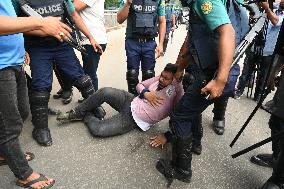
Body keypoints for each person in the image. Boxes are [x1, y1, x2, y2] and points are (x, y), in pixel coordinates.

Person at [154, 0, 250, 186]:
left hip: (215, 75)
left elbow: (228, 32)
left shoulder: (205, 1)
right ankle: (195, 144)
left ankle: (182, 170)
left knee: (180, 116)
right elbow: (191, 40)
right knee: (191, 108)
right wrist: (178, 68)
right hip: (208, 71)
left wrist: (220, 79)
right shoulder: (195, 5)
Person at [0, 1, 72, 188]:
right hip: (1, 66)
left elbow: (9, 22)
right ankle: (24, 174)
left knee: (23, 111)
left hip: (14, 61)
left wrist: (19, 46)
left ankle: (4, 152)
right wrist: (40, 23)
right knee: (9, 125)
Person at [12, 0, 103, 147]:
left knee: (81, 79)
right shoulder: (19, 1)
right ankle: (40, 128)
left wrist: (90, 37)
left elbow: (74, 15)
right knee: (41, 88)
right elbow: (15, 25)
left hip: (62, 45)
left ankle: (94, 106)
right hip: (37, 48)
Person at [56, 64, 184, 138]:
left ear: (174, 80)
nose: (161, 79)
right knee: (104, 91)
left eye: (166, 78)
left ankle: (86, 114)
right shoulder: (159, 79)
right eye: (162, 75)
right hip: (131, 101)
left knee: (97, 130)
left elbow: (182, 116)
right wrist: (146, 94)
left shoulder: (177, 92)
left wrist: (168, 137)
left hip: (134, 120)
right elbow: (140, 85)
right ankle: (77, 112)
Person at [235, 1, 284, 101]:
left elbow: (276, 21)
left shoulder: (275, 12)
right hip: (255, 46)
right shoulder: (270, 7)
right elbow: (253, 15)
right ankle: (239, 91)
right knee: (246, 72)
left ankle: (257, 97)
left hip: (269, 50)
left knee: (263, 76)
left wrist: (267, 8)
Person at [117, 0, 166, 96]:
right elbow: (119, 19)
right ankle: (131, 100)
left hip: (149, 43)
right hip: (132, 41)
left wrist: (161, 44)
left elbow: (162, 21)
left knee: (148, 74)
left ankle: (144, 101)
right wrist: (128, 3)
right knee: (132, 74)